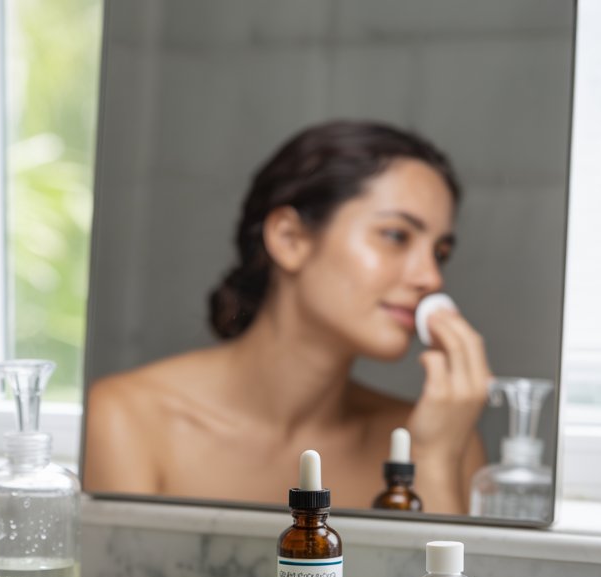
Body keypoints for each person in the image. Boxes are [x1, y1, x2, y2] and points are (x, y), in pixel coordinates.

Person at [85, 121, 490, 514]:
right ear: (289, 239)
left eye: (439, 252)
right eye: (396, 235)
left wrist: (435, 461)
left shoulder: (442, 438)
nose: (430, 277)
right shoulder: (128, 419)